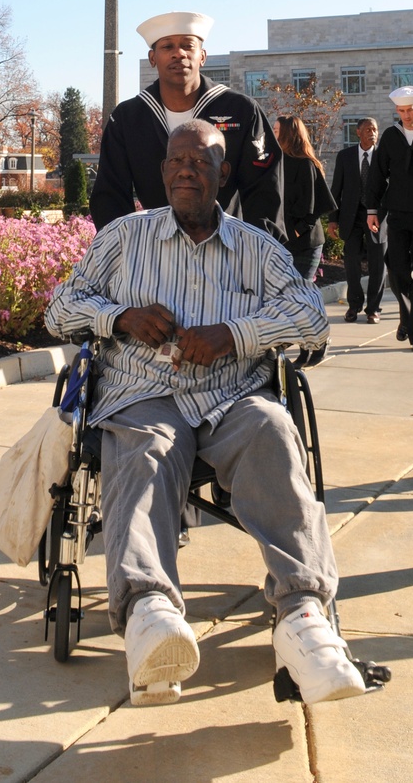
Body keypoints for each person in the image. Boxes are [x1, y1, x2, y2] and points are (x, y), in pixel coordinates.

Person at [46, 120, 368, 708]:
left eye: (200, 160)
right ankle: (150, 613)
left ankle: (303, 620)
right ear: (162, 170)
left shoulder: (257, 247)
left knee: (272, 429)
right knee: (146, 448)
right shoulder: (123, 237)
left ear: (225, 173)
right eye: (175, 160)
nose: (185, 170)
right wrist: (120, 318)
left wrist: (235, 335)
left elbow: (312, 320)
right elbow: (61, 308)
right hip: (145, 392)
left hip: (230, 396)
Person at [90, 11, 283, 237]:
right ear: (152, 58)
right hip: (154, 251)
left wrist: (255, 251)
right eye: (167, 47)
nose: (178, 54)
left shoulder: (240, 110)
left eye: (188, 46)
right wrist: (126, 249)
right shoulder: (128, 117)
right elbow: (109, 195)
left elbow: (265, 190)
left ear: (202, 56)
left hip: (229, 248)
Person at [365, 87, 413, 351]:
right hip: (396, 215)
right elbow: (376, 174)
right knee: (396, 272)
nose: (406, 115)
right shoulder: (390, 136)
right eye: (401, 111)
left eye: (410, 110)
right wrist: (372, 210)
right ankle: (408, 317)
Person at [329, 118, 385, 323]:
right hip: (351, 217)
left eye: (375, 129)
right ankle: (354, 305)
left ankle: (373, 309)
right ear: (358, 133)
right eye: (368, 129)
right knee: (351, 262)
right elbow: (337, 189)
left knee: (377, 263)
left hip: (378, 217)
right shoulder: (345, 157)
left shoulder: (383, 156)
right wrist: (333, 219)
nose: (373, 133)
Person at [275, 114, 336, 283]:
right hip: (284, 242)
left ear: (288, 134)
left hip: (305, 243)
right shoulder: (276, 162)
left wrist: (296, 231)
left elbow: (314, 206)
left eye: (276, 130)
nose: (272, 134)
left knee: (300, 294)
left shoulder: (305, 164)